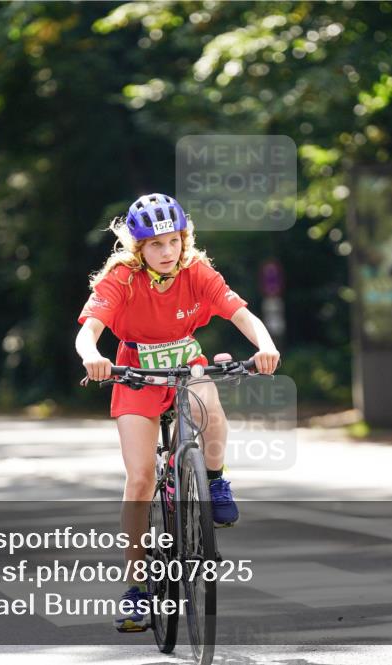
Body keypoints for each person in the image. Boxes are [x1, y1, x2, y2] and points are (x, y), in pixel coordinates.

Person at [75, 193, 280, 632]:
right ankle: (136, 587)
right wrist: (92, 356)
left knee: (210, 406)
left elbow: (241, 314)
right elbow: (88, 331)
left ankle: (214, 481)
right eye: (156, 244)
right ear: (138, 248)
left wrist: (265, 345)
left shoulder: (196, 270)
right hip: (135, 375)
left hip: (187, 366)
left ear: (184, 239)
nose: (167, 251)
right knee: (139, 478)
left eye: (174, 241)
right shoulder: (122, 278)